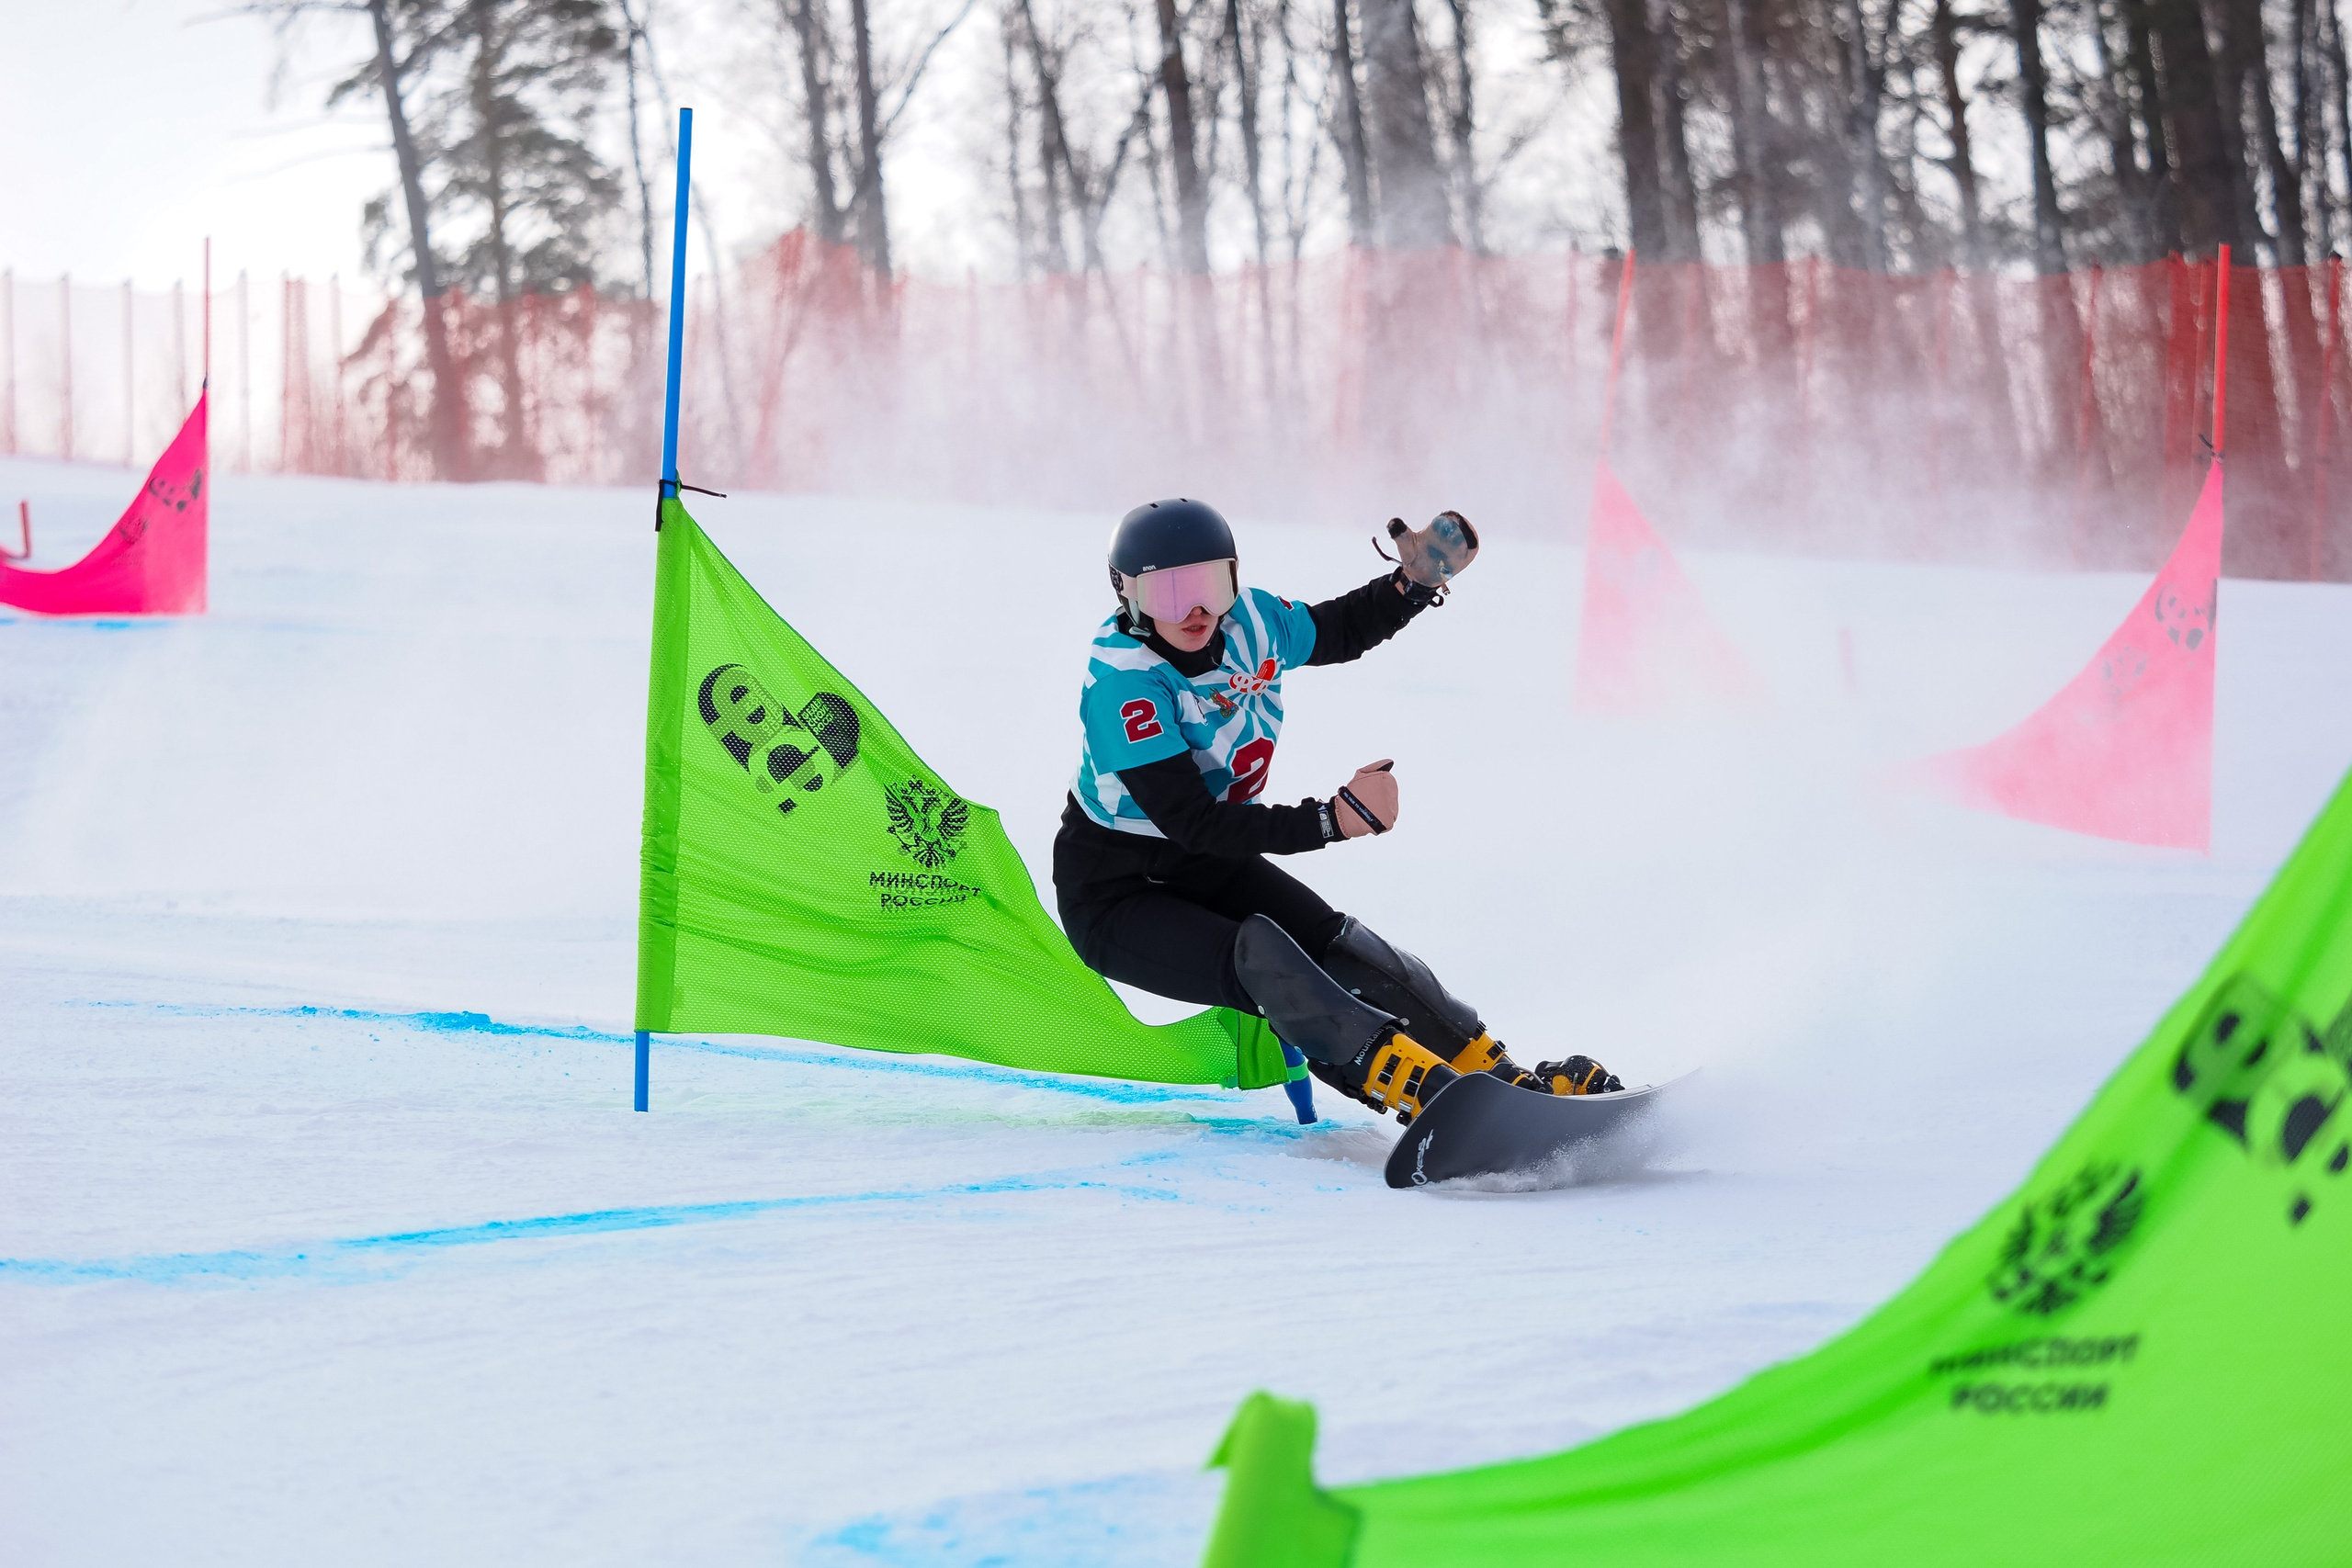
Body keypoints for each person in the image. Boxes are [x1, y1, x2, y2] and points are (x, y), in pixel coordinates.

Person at [1053, 497, 1623, 1124]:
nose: (1196, 610)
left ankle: (1501, 1077)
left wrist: (1409, 586)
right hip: (1115, 889)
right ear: (1128, 595)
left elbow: (1339, 630)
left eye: (1212, 585)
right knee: (1269, 961)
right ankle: (1427, 1094)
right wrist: (1331, 819)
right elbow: (1195, 822)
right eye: (1169, 593)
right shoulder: (1123, 679)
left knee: (1340, 946)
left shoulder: (1251, 622)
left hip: (1205, 862)